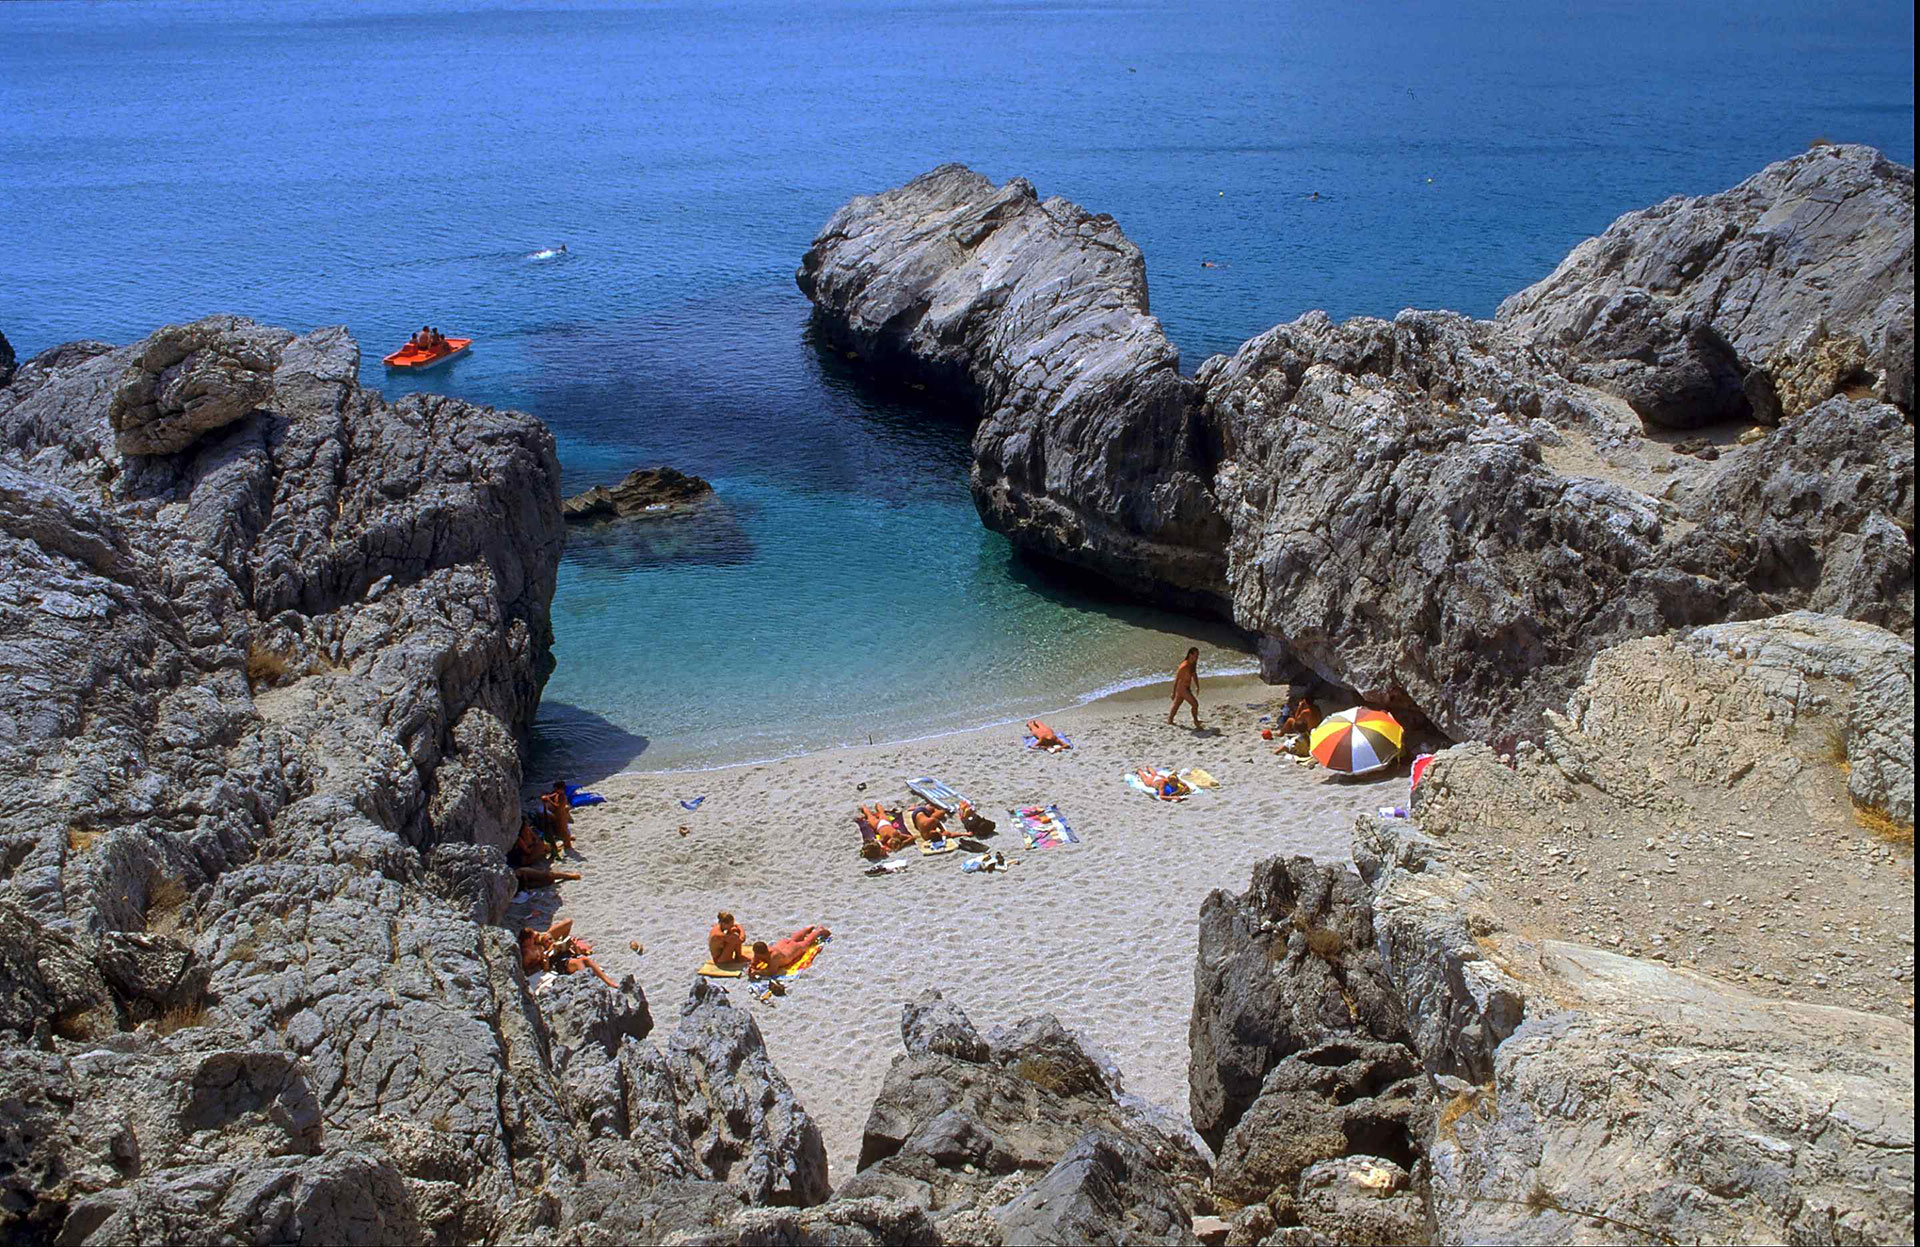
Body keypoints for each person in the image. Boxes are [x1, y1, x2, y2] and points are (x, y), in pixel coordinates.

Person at [518, 920, 617, 987]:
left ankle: (603, 980)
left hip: (564, 956)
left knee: (582, 957)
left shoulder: (539, 943)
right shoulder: (528, 953)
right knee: (583, 960)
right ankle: (603, 982)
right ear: (527, 940)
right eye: (547, 941)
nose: (549, 941)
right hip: (559, 963)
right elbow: (536, 970)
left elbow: (542, 935)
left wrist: (569, 946)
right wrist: (546, 956)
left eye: (550, 940)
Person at [508, 817, 581, 887]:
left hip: (531, 853)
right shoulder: (519, 838)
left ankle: (555, 849)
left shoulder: (528, 830)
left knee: (544, 847)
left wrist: (537, 845)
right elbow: (527, 851)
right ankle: (569, 875)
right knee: (547, 876)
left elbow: (537, 839)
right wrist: (536, 846)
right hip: (526, 859)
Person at [748, 925, 830, 978]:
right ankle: (807, 928)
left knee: (806, 943)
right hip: (784, 944)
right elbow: (754, 960)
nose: (756, 956)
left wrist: (757, 972)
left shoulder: (773, 956)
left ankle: (819, 931)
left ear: (763, 954)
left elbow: (772, 971)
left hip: (791, 950)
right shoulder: (760, 951)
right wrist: (752, 966)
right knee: (792, 939)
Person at [1166, 646, 1202, 728]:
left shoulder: (1193, 664)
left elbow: (1194, 674)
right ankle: (1196, 721)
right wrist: (1173, 692)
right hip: (1182, 688)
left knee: (1177, 704)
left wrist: (1197, 686)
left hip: (1186, 687)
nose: (1197, 657)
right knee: (1195, 704)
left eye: (1198, 655)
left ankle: (1170, 720)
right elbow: (1177, 678)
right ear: (1190, 655)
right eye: (1195, 655)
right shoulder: (1184, 666)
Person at [541, 780, 575, 854]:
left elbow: (558, 807)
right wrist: (546, 797)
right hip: (557, 815)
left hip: (561, 815)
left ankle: (568, 845)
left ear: (560, 789)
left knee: (564, 831)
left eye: (556, 789)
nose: (555, 790)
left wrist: (548, 800)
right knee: (559, 830)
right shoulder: (557, 794)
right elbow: (550, 796)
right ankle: (566, 843)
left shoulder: (562, 797)